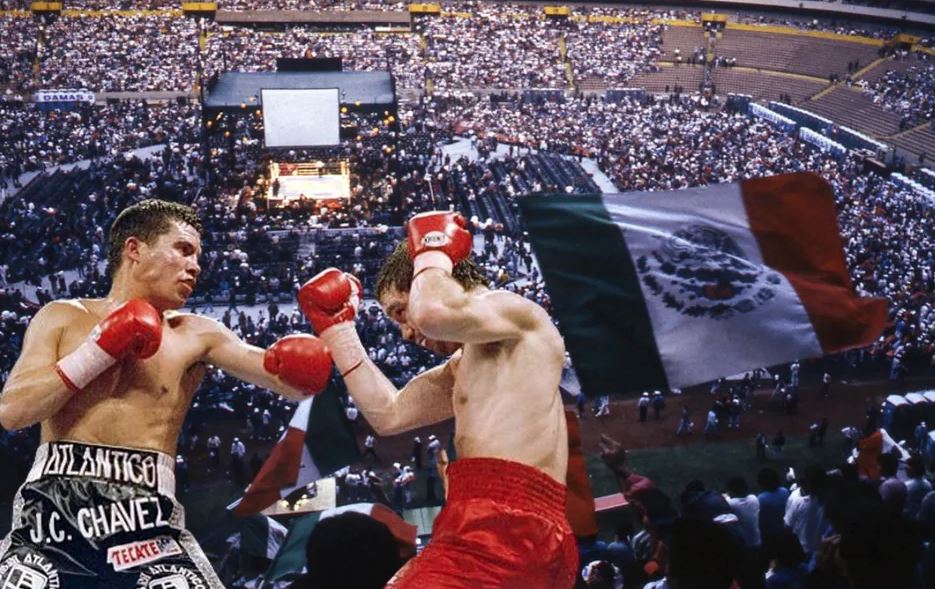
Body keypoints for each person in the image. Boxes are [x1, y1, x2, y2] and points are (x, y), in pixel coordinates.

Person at [0, 199, 333, 588]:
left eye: (197, 256)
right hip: (52, 516)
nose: (195, 266)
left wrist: (332, 335)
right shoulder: (63, 315)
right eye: (183, 249)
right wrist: (98, 351)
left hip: (147, 518)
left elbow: (290, 382)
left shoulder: (198, 333)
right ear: (135, 249)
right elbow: (13, 411)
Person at [297, 210, 577, 588]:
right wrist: (338, 332)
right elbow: (389, 415)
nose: (406, 333)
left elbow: (433, 312)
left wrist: (430, 249)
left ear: (426, 281)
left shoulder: (519, 317)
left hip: (508, 529)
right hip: (490, 526)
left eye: (400, 311)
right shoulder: (465, 365)